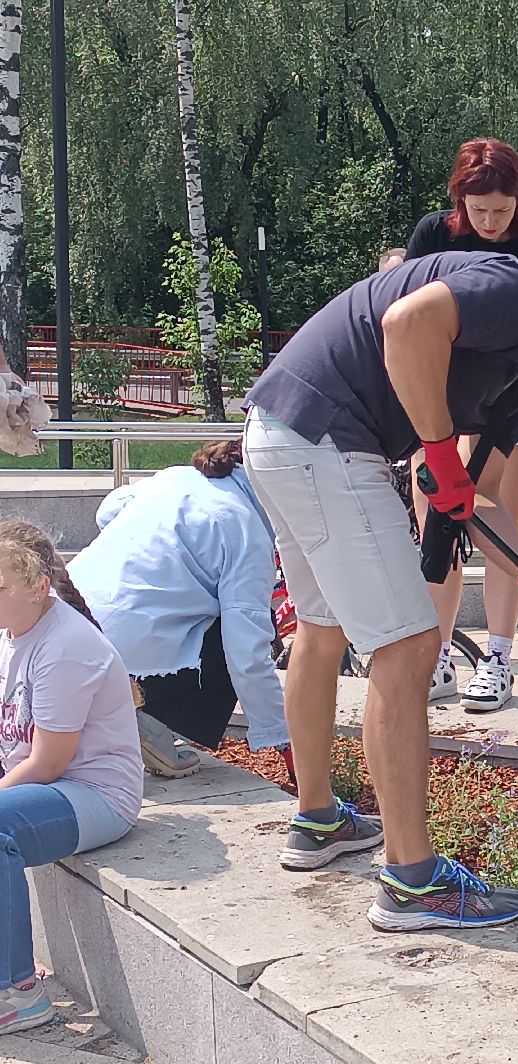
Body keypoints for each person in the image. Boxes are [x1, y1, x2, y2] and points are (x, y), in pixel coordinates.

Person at [242, 243, 518, 931]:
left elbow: (477, 492)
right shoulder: (513, 291)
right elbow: (406, 326)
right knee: (407, 649)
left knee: (322, 628)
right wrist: (435, 448)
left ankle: (317, 821)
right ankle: (411, 881)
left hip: (283, 434)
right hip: (327, 441)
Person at [406, 137, 518, 712]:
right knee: (439, 528)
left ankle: (497, 657)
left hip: (516, 402)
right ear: (460, 201)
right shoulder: (434, 235)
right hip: (440, 404)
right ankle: (439, 654)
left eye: (503, 210)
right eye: (480, 212)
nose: (493, 222)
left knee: (502, 521)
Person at [68, 441, 291, 777]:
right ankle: (141, 713)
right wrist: (283, 738)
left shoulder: (173, 477)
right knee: (245, 629)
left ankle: (127, 709)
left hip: (69, 613)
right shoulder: (247, 530)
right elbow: (247, 654)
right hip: (122, 650)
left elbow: (107, 511)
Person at [0, 535, 142, 1033]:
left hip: (94, 794)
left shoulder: (64, 646)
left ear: (39, 587)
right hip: (39, 785)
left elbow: (49, 762)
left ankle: (16, 992)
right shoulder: (14, 630)